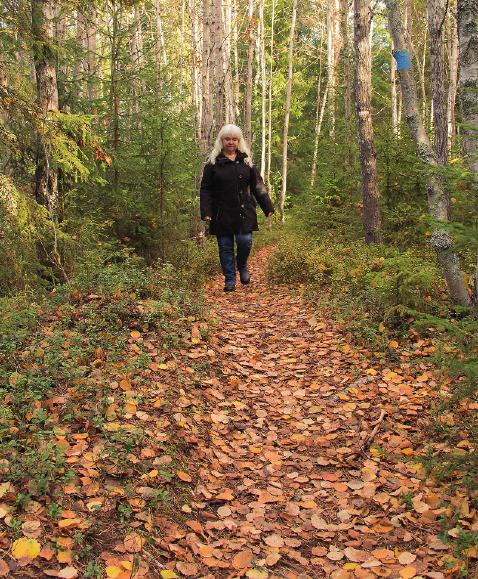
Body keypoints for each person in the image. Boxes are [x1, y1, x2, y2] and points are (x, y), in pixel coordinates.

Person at [200, 124, 274, 292]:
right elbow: (205, 189)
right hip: (221, 213)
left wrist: (267, 206)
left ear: (239, 141)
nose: (231, 142)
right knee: (225, 247)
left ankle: (241, 265)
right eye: (227, 139)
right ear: (222, 141)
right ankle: (230, 280)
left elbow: (258, 186)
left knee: (245, 241)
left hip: (243, 212)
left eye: (234, 139)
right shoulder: (213, 164)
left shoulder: (246, 161)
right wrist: (206, 211)